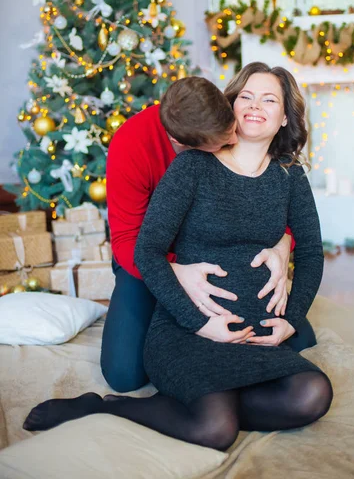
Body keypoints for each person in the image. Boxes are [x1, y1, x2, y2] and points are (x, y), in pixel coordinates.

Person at [23, 62, 332, 449]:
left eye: (269, 99)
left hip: (254, 331)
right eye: (246, 97)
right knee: (209, 427)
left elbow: (311, 249)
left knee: (312, 393)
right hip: (190, 324)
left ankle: (211, 403)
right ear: (230, 106)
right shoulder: (187, 163)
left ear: (285, 116)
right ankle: (106, 407)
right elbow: (140, 247)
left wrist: (291, 315)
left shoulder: (290, 175)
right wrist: (197, 317)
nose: (255, 106)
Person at [101, 75, 305, 393]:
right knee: (125, 374)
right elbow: (128, 241)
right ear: (186, 146)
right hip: (148, 255)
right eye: (224, 143)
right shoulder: (133, 146)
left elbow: (267, 200)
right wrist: (175, 272)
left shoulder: (214, 112)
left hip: (212, 252)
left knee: (298, 341)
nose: (234, 143)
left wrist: (283, 242)